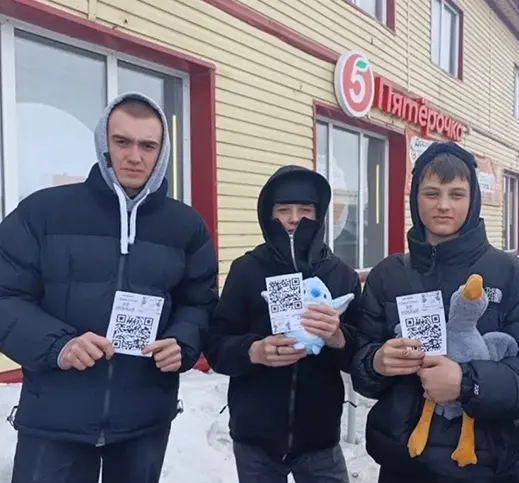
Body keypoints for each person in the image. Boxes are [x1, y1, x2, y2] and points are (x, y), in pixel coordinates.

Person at [0, 92, 219, 483]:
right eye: (122, 142)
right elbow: (5, 296)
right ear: (104, 143)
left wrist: (182, 341)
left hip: (144, 420)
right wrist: (59, 345)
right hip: (55, 416)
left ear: (162, 152)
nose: (134, 156)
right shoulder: (43, 212)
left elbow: (199, 302)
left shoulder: (186, 226)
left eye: (147, 146)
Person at [350, 142, 519, 482]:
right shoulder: (389, 275)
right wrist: (376, 362)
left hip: (484, 466)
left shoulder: (514, 276)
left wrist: (469, 383)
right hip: (403, 462)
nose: (443, 205)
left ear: (473, 199)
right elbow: (361, 363)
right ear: (415, 198)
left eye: (456, 194)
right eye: (431, 193)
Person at [204, 165, 362, 483]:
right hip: (255, 440)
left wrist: (338, 337)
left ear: (319, 215)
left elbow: (361, 354)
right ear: (268, 214)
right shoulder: (247, 270)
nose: (294, 219)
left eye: (305, 210)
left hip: (320, 439)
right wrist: (254, 351)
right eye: (284, 210)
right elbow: (216, 345)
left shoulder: (340, 274)